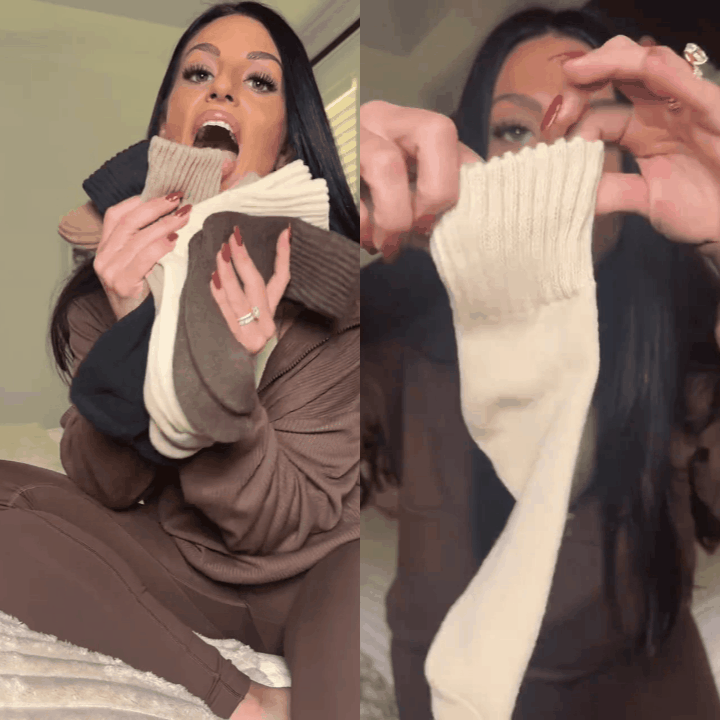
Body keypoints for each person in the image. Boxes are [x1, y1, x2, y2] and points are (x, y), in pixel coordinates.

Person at [0, 3, 359, 720]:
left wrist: (223, 381)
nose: (221, 88)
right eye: (199, 73)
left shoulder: (340, 298)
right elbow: (107, 486)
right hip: (181, 558)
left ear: (286, 147)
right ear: (167, 127)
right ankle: (246, 700)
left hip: (317, 568)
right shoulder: (106, 289)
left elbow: (279, 526)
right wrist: (135, 322)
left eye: (259, 82)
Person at [361, 7, 720, 719]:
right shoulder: (397, 339)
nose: (551, 161)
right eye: (517, 131)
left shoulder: (683, 337)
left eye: (592, 133)